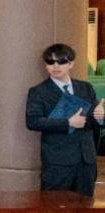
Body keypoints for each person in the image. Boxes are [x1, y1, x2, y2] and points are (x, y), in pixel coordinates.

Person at [25, 43, 104, 196]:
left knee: (85, 205)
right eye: (50, 62)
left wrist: (100, 116)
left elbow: (94, 120)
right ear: (46, 65)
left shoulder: (85, 87)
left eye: (61, 61)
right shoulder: (38, 91)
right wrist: (68, 123)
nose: (56, 66)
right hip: (57, 160)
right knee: (53, 205)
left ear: (71, 64)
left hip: (86, 159)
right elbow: (33, 121)